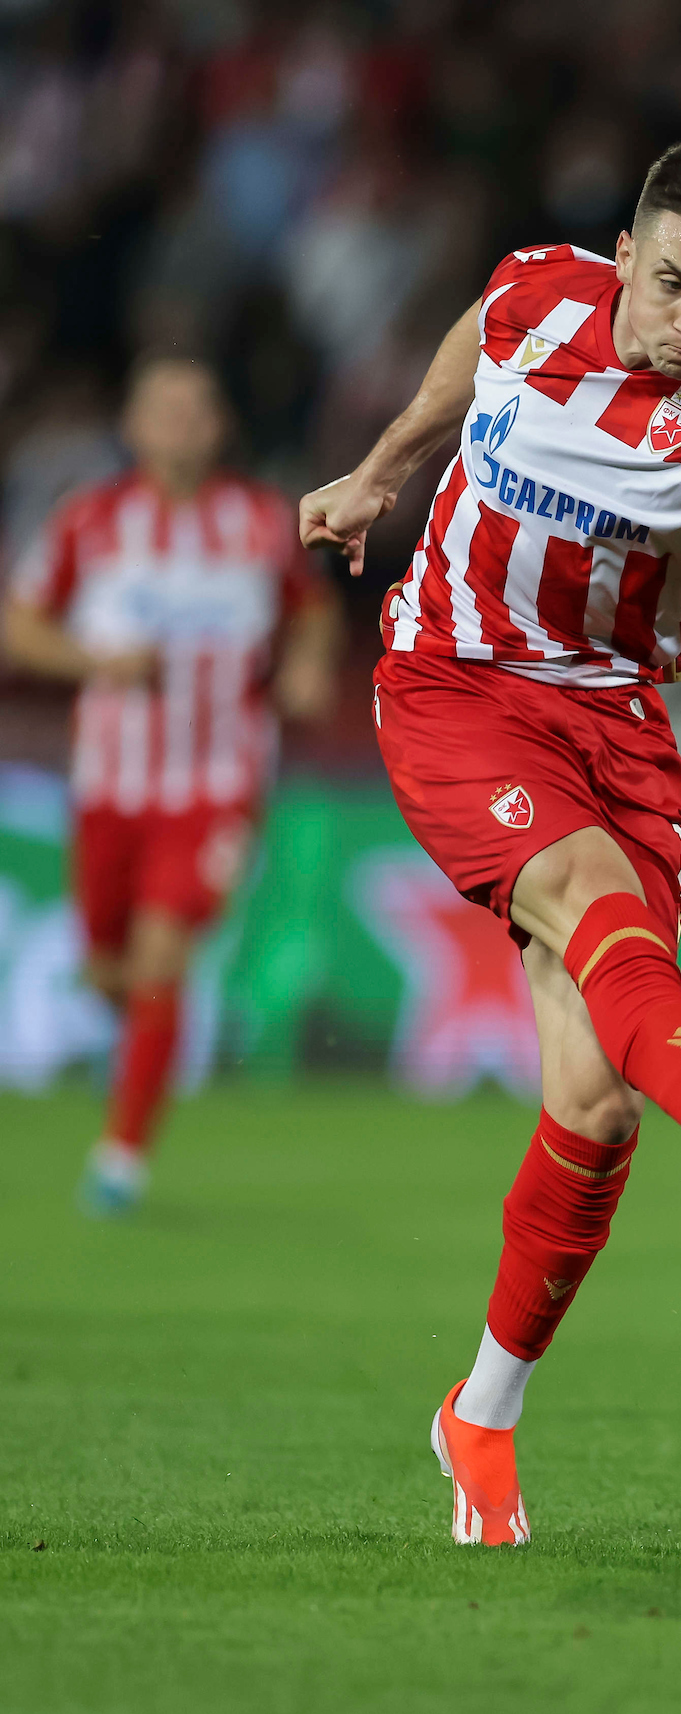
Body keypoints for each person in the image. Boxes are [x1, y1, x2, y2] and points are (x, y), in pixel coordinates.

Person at [297, 140, 681, 1548]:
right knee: (582, 895)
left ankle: (484, 1412)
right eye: (680, 286)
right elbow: (478, 339)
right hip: (455, 678)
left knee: (596, 1100)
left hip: (619, 722)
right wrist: (381, 468)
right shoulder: (541, 289)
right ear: (627, 254)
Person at [3, 358, 339, 1215]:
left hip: (218, 783)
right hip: (110, 783)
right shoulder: (91, 521)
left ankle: (120, 1156)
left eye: (198, 409)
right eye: (165, 410)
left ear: (219, 426)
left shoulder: (261, 522)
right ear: (135, 428)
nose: (183, 424)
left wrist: (305, 667)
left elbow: (313, 608)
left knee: (162, 952)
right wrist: (93, 662)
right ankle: (140, 1056)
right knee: (110, 966)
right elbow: (20, 622)